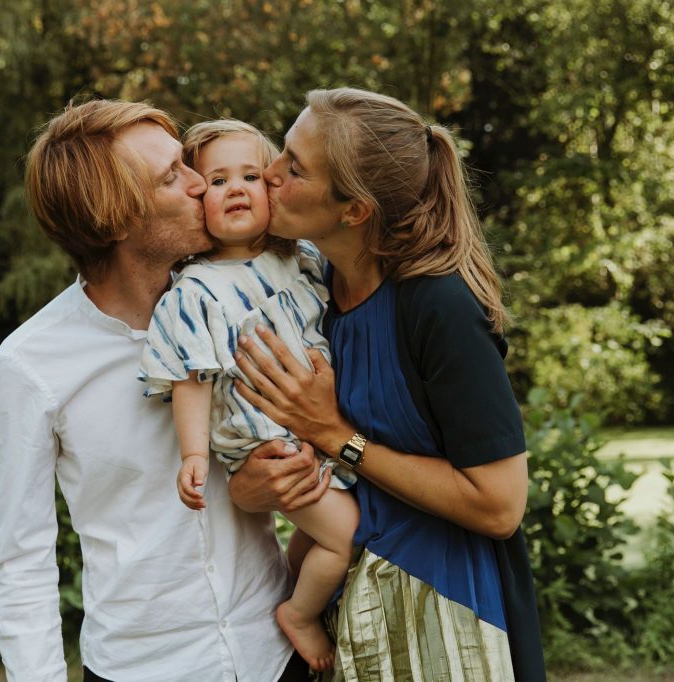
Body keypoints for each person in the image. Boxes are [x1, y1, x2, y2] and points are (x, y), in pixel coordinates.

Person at [0, 99, 315, 682]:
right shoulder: (30, 365)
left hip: (276, 654)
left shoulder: (255, 302)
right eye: (173, 175)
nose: (200, 183)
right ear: (113, 220)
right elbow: (23, 562)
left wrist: (270, 481)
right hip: (144, 668)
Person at [228, 88, 547, 681]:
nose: (268, 172)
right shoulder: (305, 289)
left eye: (294, 168)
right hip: (335, 602)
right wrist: (253, 484)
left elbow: (501, 504)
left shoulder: (438, 305)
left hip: (444, 613)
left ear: (354, 210)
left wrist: (334, 434)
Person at [137, 119, 359, 671]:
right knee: (347, 536)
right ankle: (299, 615)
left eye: (251, 175)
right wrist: (193, 454)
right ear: (197, 197)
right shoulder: (196, 290)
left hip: (319, 429)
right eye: (216, 180)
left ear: (273, 187)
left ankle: (297, 592)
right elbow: (192, 377)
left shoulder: (302, 258)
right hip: (268, 445)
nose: (235, 188)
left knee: (323, 537)